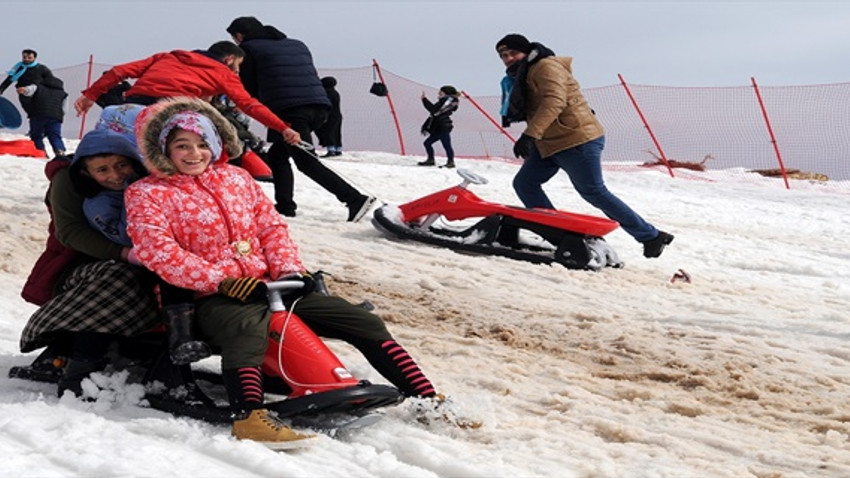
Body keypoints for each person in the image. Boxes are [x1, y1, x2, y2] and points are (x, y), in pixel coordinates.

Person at [124, 97, 453, 445]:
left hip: (270, 285)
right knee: (250, 327)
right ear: (163, 149)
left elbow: (271, 228)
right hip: (207, 295)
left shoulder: (237, 178)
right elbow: (159, 251)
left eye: (203, 144)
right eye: (182, 145)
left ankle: (426, 398)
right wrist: (223, 281)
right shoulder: (148, 193)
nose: (195, 153)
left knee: (359, 320)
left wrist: (289, 271)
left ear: (217, 143)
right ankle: (249, 416)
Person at [496, 34, 674, 258]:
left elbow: (554, 101)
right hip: (549, 142)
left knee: (593, 191)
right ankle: (558, 233)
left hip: (575, 139)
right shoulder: (524, 73)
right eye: (504, 55)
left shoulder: (545, 66)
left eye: (513, 53)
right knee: (525, 184)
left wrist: (530, 134)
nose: (509, 58)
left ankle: (651, 236)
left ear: (526, 51)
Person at [18, 127, 160, 397]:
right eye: (103, 170)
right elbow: (70, 232)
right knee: (116, 280)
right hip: (82, 265)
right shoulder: (68, 182)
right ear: (86, 172)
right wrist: (124, 253)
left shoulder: (145, 182)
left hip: (145, 260)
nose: (115, 175)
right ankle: (80, 371)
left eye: (121, 165)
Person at [226, 16, 375, 221]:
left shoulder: (248, 49)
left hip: (290, 110)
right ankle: (285, 206)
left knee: (306, 162)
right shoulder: (296, 44)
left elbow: (248, 85)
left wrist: (240, 102)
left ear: (239, 35)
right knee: (277, 156)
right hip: (320, 107)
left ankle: (354, 199)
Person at [72, 41, 302, 152]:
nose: (238, 71)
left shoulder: (168, 57)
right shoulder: (223, 73)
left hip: (132, 106)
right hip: (171, 111)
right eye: (238, 65)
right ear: (230, 59)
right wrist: (282, 128)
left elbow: (119, 71)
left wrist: (90, 95)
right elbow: (249, 104)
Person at [1, 49, 67, 157]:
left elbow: (50, 81)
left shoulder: (42, 69)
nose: (26, 59)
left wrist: (52, 92)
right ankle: (43, 139)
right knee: (34, 115)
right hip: (24, 93)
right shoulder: (19, 67)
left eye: (29, 58)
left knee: (39, 116)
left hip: (38, 93)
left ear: (35, 58)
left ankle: (41, 138)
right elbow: (10, 79)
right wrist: (1, 89)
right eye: (24, 57)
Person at [418, 85, 459, 168]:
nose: (439, 93)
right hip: (438, 126)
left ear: (446, 92)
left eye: (441, 91)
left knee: (446, 145)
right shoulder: (445, 101)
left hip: (443, 126)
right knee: (427, 143)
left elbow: (434, 110)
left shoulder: (448, 101)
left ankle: (451, 162)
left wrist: (424, 100)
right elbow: (434, 111)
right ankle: (430, 160)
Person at [315, 76, 343, 157]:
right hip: (337, 115)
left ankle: (331, 150)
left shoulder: (327, 93)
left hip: (329, 116)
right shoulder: (335, 93)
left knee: (328, 132)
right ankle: (338, 150)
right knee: (336, 133)